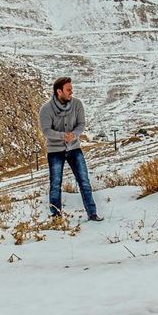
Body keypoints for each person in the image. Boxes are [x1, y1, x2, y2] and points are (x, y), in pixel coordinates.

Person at [38, 76, 103, 221]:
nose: (71, 93)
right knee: (55, 184)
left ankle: (92, 213)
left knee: (84, 180)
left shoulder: (77, 104)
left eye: (71, 90)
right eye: (68, 90)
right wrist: (62, 136)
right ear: (58, 91)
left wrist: (73, 135)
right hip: (55, 151)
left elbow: (81, 124)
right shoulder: (46, 109)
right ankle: (56, 217)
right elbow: (46, 130)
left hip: (74, 148)